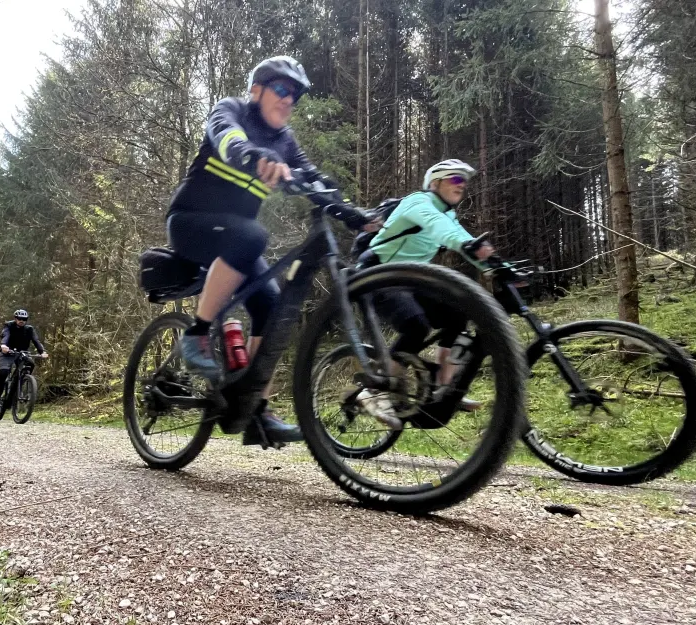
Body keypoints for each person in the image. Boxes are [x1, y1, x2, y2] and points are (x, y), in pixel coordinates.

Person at [167, 55, 374, 446]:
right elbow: (226, 137)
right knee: (253, 235)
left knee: (274, 309)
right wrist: (254, 155)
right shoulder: (231, 110)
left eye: (294, 94)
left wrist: (352, 214)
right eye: (281, 88)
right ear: (256, 90)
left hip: (237, 239)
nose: (288, 99)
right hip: (190, 224)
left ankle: (254, 409)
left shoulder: (286, 141)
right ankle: (196, 334)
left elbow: (314, 177)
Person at [356, 159, 496, 427]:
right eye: (455, 179)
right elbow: (441, 230)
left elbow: (468, 243)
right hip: (377, 274)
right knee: (416, 326)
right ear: (435, 183)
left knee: (458, 313)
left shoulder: (449, 215)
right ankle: (374, 390)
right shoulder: (417, 202)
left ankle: (444, 385)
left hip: (410, 280)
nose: (462, 185)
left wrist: (500, 267)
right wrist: (466, 244)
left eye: (464, 182)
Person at [0, 309, 48, 416]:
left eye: (24, 319)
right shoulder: (9, 326)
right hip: (7, 353)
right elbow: (5, 336)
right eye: (19, 319)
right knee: (3, 372)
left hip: (22, 353)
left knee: (30, 364)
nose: (21, 321)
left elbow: (36, 341)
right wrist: (3, 345)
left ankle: (19, 384)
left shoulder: (29, 329)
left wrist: (42, 352)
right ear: (15, 319)